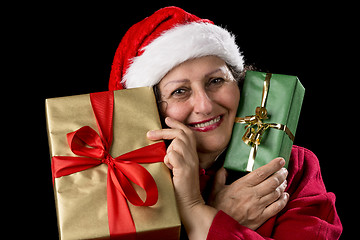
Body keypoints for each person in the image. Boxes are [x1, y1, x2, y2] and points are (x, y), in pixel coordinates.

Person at [108, 6, 342, 240]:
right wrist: (212, 214)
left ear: (240, 83)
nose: (205, 105)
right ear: (148, 106)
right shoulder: (119, 187)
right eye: (180, 91)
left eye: (216, 81)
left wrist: (194, 210)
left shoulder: (293, 168)